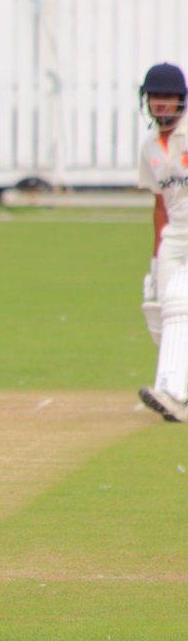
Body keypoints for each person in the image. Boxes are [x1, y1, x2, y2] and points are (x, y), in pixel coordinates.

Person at [136, 63, 188, 421]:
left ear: (180, 101)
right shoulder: (149, 147)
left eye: (168, 97)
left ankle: (173, 392)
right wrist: (156, 259)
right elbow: (159, 205)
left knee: (179, 306)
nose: (161, 104)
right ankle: (171, 390)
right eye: (156, 97)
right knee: (165, 314)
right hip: (173, 235)